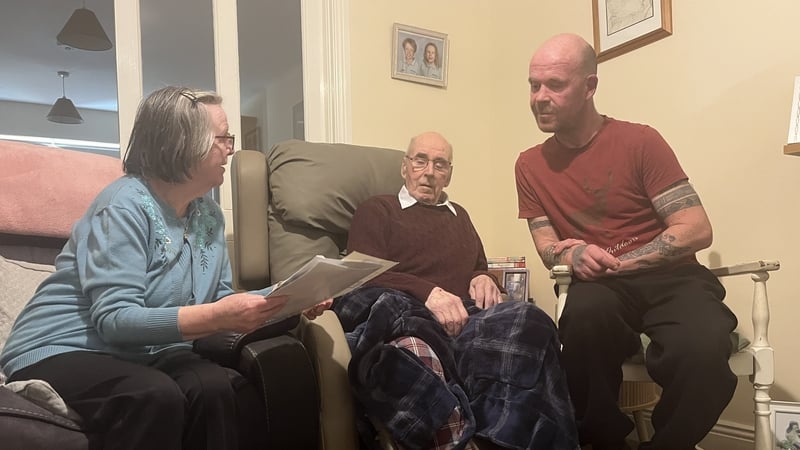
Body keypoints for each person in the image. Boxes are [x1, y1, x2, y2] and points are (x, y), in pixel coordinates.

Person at [0, 86, 328, 450]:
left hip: (148, 352)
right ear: (181, 142)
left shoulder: (209, 216)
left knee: (214, 387)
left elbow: (217, 299)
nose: (231, 149)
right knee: (154, 395)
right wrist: (218, 317)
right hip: (63, 347)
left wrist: (291, 295)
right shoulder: (124, 206)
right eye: (222, 138)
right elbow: (115, 319)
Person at [514, 33, 737, 450]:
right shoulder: (529, 165)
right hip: (600, 289)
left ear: (589, 87)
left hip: (672, 279)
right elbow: (545, 241)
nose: (539, 97)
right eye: (533, 85)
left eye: (555, 85)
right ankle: (604, 442)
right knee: (580, 322)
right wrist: (571, 251)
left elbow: (696, 228)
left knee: (704, 349)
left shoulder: (640, 141)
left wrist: (624, 262)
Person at [334, 131, 578, 450]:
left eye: (440, 163)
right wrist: (427, 293)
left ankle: (497, 437)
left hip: (466, 319)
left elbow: (477, 263)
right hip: (409, 315)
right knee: (404, 351)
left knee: (530, 320)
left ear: (449, 174)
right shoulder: (378, 209)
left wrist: (483, 277)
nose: (429, 171)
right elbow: (362, 272)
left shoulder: (459, 215)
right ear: (404, 167)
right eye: (420, 160)